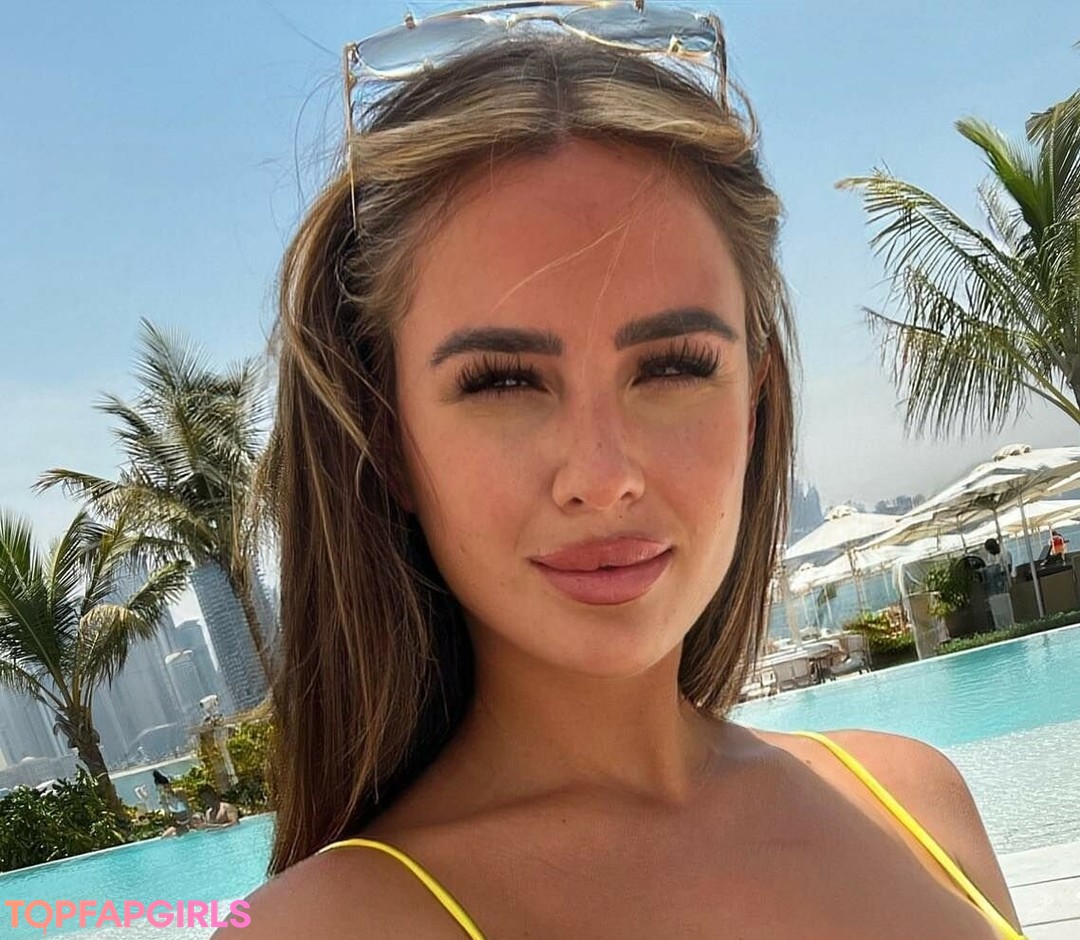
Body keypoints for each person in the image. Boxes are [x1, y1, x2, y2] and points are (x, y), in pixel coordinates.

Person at [230, 4, 1025, 938]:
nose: (602, 476)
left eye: (674, 367)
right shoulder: (323, 927)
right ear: (388, 437)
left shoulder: (918, 801)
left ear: (754, 398)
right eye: (502, 381)